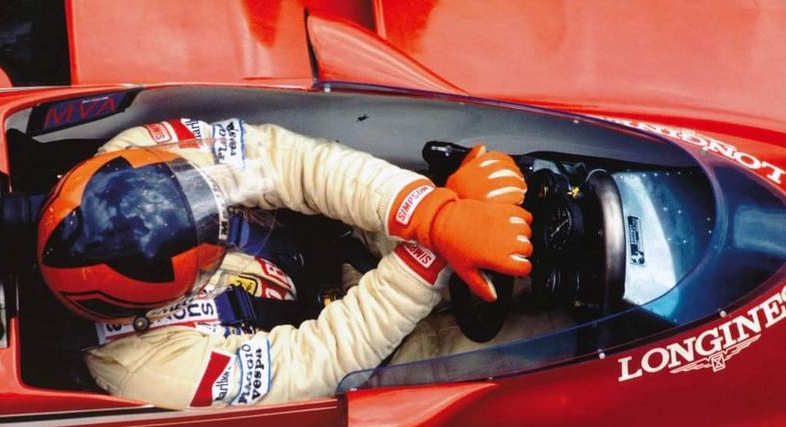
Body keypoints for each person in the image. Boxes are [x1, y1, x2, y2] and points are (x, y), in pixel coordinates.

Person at [37, 118, 532, 409]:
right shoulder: (140, 370)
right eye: (214, 247)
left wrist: (431, 213)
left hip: (347, 232)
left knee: (512, 212)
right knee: (527, 360)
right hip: (372, 355)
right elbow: (318, 362)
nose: (226, 224)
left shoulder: (135, 152)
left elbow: (293, 164)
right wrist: (430, 255)